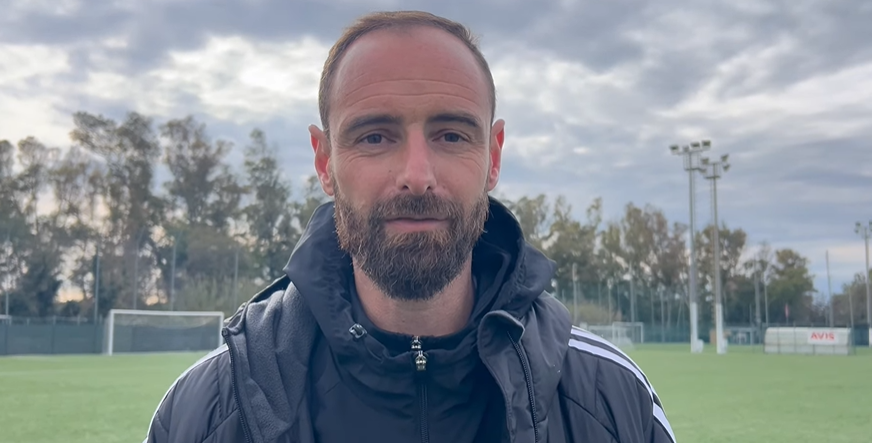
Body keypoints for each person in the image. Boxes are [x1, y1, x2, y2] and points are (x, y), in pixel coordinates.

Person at [144, 10, 676, 443]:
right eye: (375, 137)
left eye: (451, 135)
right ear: (325, 161)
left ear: (493, 157)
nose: (417, 176)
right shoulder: (202, 413)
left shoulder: (613, 400)